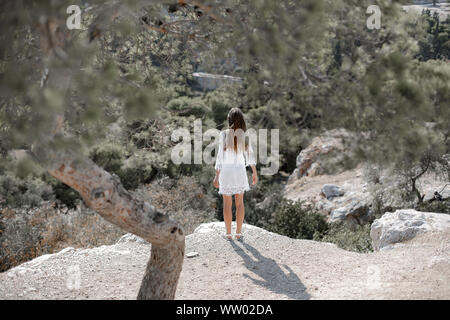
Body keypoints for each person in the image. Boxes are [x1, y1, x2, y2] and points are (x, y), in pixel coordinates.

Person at [213, 107, 258, 241]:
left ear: (229, 120)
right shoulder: (245, 135)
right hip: (239, 171)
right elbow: (250, 156)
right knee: (240, 203)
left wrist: (216, 175)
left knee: (227, 203)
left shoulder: (223, 134)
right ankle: (238, 233)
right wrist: (254, 173)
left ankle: (228, 234)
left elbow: (220, 157)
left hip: (226, 171)